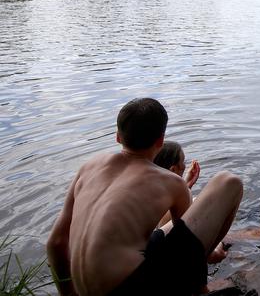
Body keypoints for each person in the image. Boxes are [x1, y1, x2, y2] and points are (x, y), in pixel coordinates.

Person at [46, 98, 243, 296]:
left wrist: (68, 294)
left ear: (117, 137)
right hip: (130, 287)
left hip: (86, 288)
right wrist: (202, 288)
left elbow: (56, 242)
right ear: (160, 141)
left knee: (172, 225)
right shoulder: (171, 183)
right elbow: (188, 250)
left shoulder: (89, 167)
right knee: (229, 182)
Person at [154, 141, 200, 227]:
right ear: (173, 170)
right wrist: (185, 189)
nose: (185, 166)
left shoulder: (156, 192)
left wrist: (187, 184)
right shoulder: (166, 210)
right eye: (183, 162)